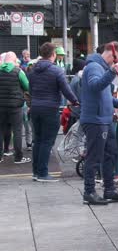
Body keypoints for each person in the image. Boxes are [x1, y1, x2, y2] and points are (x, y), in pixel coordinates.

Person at [80, 41, 118, 205]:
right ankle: (89, 192)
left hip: (103, 119)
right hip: (96, 120)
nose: (117, 64)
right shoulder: (95, 67)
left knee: (110, 153)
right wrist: (111, 72)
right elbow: (95, 86)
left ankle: (109, 189)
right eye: (117, 60)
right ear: (110, 54)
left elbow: (103, 94)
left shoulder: (99, 67)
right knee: (94, 157)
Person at [28, 43, 78, 181]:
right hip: (50, 109)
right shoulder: (56, 71)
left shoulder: (32, 70)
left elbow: (31, 90)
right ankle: (43, 173)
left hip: (35, 108)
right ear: (53, 54)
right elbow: (66, 89)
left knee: (37, 140)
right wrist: (75, 101)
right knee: (47, 141)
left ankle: (36, 172)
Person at [0, 52, 31, 164]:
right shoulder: (18, 71)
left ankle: (0, 156)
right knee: (17, 131)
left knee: (1, 130)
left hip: (1, 106)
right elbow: (27, 86)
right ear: (14, 60)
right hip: (15, 106)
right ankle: (18, 157)